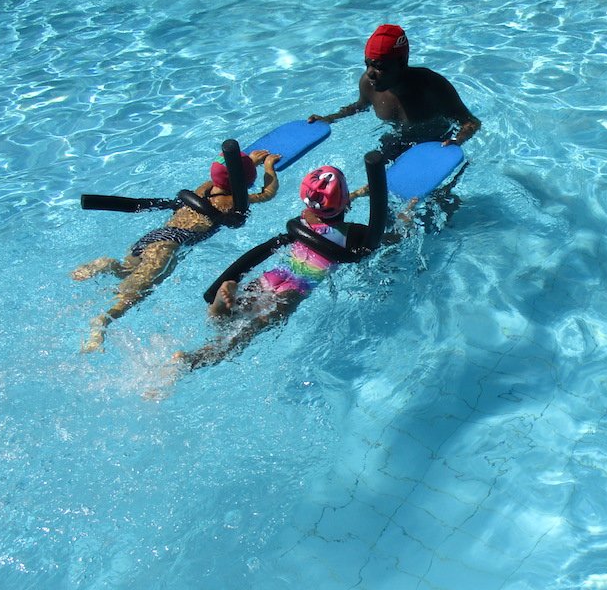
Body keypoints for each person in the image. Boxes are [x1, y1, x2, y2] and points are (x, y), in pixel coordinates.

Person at [173, 161, 390, 370]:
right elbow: (383, 238)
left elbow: (325, 209)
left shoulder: (304, 218)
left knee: (234, 314)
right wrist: (404, 217)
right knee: (251, 329)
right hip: (296, 288)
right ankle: (192, 361)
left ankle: (218, 307)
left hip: (273, 275)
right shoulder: (353, 233)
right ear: (344, 202)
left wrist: (359, 194)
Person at [72, 148, 282, 353]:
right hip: (170, 244)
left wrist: (250, 163)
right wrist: (269, 167)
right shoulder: (229, 202)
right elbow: (267, 194)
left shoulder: (205, 187)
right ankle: (102, 321)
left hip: (153, 237)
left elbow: (227, 178)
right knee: (136, 293)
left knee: (127, 271)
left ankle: (108, 265)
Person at [308, 24, 481, 161]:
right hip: (397, 141)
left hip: (436, 145)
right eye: (367, 64)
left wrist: (458, 141)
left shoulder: (432, 87)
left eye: (379, 66)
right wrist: (330, 118)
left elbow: (471, 122)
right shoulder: (369, 85)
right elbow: (359, 106)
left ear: (402, 62)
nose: (370, 72)